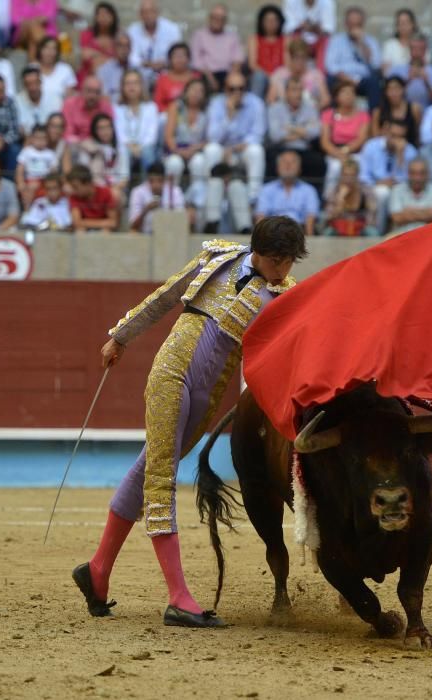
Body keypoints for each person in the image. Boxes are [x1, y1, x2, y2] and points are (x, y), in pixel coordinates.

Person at [73, 216, 307, 627]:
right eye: (277, 262)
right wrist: (120, 336)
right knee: (161, 477)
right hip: (172, 372)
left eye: (289, 263)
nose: (283, 271)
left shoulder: (287, 296)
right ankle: (179, 597)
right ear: (261, 252)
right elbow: (165, 297)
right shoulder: (217, 257)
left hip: (208, 396)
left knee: (149, 467)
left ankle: (97, 572)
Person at [203, 71, 266, 201]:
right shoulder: (216, 103)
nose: (237, 92)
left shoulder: (256, 103)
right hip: (222, 150)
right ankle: (212, 197)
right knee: (211, 149)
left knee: (256, 150)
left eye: (241, 88)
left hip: (242, 150)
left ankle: (252, 198)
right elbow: (213, 137)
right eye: (232, 89)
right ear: (225, 89)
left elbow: (257, 135)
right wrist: (229, 115)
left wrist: (233, 149)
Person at [358, 119, 418, 231]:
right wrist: (378, 182)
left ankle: (400, 233)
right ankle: (378, 231)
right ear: (386, 132)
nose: (396, 140)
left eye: (400, 137)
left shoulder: (410, 151)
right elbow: (363, 177)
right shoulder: (371, 146)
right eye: (393, 135)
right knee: (382, 192)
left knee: (399, 193)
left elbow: (412, 180)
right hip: (374, 187)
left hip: (400, 189)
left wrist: (400, 158)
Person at [319, 79, 370, 197]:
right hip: (334, 152)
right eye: (345, 92)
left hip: (355, 152)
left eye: (352, 93)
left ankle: (363, 200)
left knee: (362, 167)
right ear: (336, 97)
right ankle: (329, 200)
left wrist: (346, 152)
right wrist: (339, 155)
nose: (349, 96)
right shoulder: (328, 114)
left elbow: (361, 138)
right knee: (335, 167)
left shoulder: (363, 115)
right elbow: (325, 141)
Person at [266, 77, 323, 179]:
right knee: (270, 158)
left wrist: (290, 128)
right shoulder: (274, 108)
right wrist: (303, 131)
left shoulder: (310, 108)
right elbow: (275, 135)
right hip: (281, 149)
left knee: (318, 161)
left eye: (300, 90)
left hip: (303, 150)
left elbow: (315, 132)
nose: (298, 94)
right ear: (286, 92)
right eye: (294, 90)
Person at [324, 7, 381, 109]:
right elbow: (330, 65)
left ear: (363, 24)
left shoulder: (371, 42)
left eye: (358, 24)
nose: (354, 28)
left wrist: (362, 43)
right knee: (330, 80)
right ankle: (332, 118)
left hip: (363, 80)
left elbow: (375, 65)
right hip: (342, 78)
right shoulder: (336, 41)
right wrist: (346, 77)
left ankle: (373, 120)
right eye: (351, 24)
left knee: (375, 82)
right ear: (346, 24)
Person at [254, 150, 320, 235]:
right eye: (284, 162)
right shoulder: (266, 189)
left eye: (292, 162)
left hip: (299, 234)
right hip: (272, 234)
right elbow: (261, 216)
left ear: (300, 168)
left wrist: (310, 242)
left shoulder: (309, 190)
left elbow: (311, 217)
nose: (288, 165)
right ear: (277, 167)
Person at [163, 78, 210, 194]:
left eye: (200, 91)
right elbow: (168, 136)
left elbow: (209, 139)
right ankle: (170, 201)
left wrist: (194, 149)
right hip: (175, 150)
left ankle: (195, 202)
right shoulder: (176, 107)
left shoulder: (207, 112)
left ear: (204, 95)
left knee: (199, 162)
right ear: (186, 92)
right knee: (175, 163)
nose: (196, 94)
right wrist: (179, 151)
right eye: (193, 90)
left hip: (196, 151)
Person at [71, 113, 130, 202]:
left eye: (108, 127)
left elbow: (125, 178)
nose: (105, 131)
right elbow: (83, 174)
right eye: (101, 128)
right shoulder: (87, 147)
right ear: (95, 131)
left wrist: (110, 190)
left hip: (115, 189)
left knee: (115, 195)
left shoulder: (121, 148)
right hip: (93, 189)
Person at [190, 4, 244, 93]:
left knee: (238, 82)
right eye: (215, 17)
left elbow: (237, 60)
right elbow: (196, 62)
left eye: (221, 18)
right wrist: (211, 79)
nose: (218, 21)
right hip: (206, 74)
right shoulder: (199, 35)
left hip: (227, 74)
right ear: (209, 18)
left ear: (225, 21)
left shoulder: (232, 37)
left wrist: (229, 79)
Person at [114, 69, 159, 174]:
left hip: (145, 147)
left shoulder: (151, 107)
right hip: (126, 147)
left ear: (141, 86)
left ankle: (147, 188)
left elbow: (151, 135)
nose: (131, 87)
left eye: (135, 83)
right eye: (127, 83)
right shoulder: (117, 108)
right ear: (122, 87)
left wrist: (139, 148)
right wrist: (131, 147)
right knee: (123, 152)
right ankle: (122, 188)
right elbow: (119, 134)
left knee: (147, 152)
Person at [127, 0, 182, 86]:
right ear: (140, 15)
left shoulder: (172, 29)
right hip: (141, 78)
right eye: (144, 12)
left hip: (166, 74)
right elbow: (131, 57)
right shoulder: (132, 31)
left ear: (158, 12)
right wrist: (148, 64)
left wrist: (165, 62)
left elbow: (178, 54)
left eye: (151, 11)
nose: (148, 15)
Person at [387, 158, 432, 233]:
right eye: (413, 173)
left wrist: (407, 211)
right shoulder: (397, 190)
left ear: (427, 174)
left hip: (430, 236)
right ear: (408, 174)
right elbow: (396, 218)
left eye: (421, 173)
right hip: (402, 236)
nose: (417, 178)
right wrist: (427, 212)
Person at [267, 38, 330, 110]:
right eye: (296, 57)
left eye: (303, 57)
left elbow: (326, 99)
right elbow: (271, 99)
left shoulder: (316, 75)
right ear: (291, 57)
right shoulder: (279, 75)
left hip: (310, 116)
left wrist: (313, 110)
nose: (300, 61)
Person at [322, 157, 377, 236]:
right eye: (345, 175)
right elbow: (328, 217)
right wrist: (340, 199)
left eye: (352, 175)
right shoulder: (334, 191)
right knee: (328, 232)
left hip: (360, 226)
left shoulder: (365, 190)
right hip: (339, 226)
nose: (348, 179)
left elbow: (372, 214)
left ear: (357, 175)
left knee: (372, 232)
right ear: (341, 175)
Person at [388, 33, 432, 110]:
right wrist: (408, 80)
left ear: (425, 50)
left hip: (427, 113)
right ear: (409, 49)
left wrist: (427, 83)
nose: (417, 52)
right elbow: (389, 97)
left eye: (420, 49)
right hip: (403, 114)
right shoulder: (397, 70)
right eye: (414, 48)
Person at [128, 161, 185, 233]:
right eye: (151, 181)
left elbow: (180, 221)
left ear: (165, 179)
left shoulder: (175, 191)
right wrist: (146, 210)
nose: (156, 185)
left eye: (160, 181)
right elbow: (133, 226)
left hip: (168, 234)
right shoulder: (137, 192)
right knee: (132, 232)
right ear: (147, 179)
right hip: (144, 234)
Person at [15, 125, 58, 207]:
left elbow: (53, 171)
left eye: (43, 138)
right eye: (37, 138)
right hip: (29, 180)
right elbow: (20, 169)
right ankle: (28, 211)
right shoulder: (27, 151)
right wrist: (20, 183)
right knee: (29, 188)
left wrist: (50, 182)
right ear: (31, 139)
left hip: (44, 181)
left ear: (47, 139)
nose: (40, 141)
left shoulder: (50, 153)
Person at [67, 164, 119, 232]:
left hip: (102, 230)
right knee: (80, 231)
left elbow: (113, 222)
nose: (73, 190)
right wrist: (104, 223)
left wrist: (84, 223)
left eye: (75, 187)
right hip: (85, 230)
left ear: (88, 183)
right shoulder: (74, 197)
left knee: (106, 231)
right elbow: (76, 223)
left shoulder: (105, 193)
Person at [248, 5, 286, 97]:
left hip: (280, 75)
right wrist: (269, 76)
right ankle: (256, 107)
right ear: (261, 22)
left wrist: (276, 77)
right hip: (262, 75)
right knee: (259, 77)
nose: (271, 23)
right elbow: (252, 65)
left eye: (274, 20)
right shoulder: (254, 39)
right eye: (268, 20)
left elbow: (287, 64)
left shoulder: (286, 40)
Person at [63, 76, 114, 144]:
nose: (92, 96)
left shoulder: (106, 107)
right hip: (75, 146)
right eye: (89, 91)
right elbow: (67, 134)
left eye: (97, 92)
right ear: (82, 90)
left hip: (100, 145)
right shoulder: (70, 105)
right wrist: (83, 143)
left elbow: (110, 133)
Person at [78, 2, 119, 85]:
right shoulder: (87, 34)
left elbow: (119, 60)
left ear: (113, 17)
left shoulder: (119, 36)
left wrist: (95, 54)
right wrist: (108, 59)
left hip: (112, 78)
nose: (103, 17)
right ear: (95, 17)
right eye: (100, 14)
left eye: (106, 14)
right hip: (88, 77)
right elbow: (85, 55)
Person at [153, 43, 200, 113]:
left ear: (189, 58)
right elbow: (158, 103)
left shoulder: (196, 77)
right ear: (170, 59)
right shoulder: (162, 79)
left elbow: (202, 100)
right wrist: (171, 113)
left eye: (182, 56)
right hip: (167, 116)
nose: (179, 59)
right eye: (176, 56)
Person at [372, 76, 421, 144]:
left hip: (408, 148)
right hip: (385, 148)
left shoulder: (414, 109)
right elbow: (375, 138)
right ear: (385, 92)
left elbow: (417, 134)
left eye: (397, 89)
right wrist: (384, 132)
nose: (393, 93)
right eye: (390, 89)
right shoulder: (378, 112)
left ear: (403, 89)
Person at [35, 36, 78, 110]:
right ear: (40, 50)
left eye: (53, 49)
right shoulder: (32, 68)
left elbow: (70, 98)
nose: (49, 52)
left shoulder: (65, 69)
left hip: (60, 113)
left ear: (57, 52)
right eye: (46, 48)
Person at [16, 66, 59, 136]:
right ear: (24, 85)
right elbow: (20, 129)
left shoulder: (54, 99)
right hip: (26, 140)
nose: (33, 88)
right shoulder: (17, 102)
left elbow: (57, 126)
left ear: (41, 82)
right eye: (29, 84)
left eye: (35, 83)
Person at [98, 33, 133, 105]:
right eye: (120, 45)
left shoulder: (137, 69)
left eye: (127, 46)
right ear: (114, 48)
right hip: (113, 108)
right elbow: (103, 97)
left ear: (131, 49)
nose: (124, 49)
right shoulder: (104, 70)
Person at [381, 8, 417, 75]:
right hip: (395, 81)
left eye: (406, 22)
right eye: (400, 23)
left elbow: (423, 67)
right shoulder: (389, 45)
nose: (403, 26)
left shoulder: (420, 44)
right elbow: (385, 71)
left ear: (413, 24)